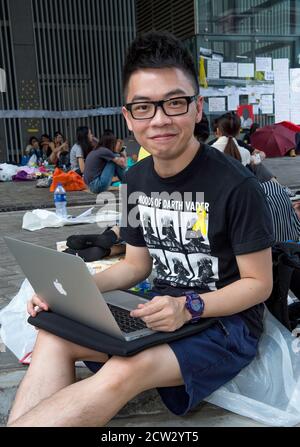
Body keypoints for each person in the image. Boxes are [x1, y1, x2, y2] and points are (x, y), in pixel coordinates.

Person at [8, 31, 274, 427]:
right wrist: (66, 293)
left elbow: (259, 283)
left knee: (123, 370)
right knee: (51, 333)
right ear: (128, 116)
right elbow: (136, 266)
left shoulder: (237, 186)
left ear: (197, 108)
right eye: (144, 107)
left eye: (175, 102)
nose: (160, 119)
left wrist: (190, 306)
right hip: (156, 316)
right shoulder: (134, 181)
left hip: (223, 326)